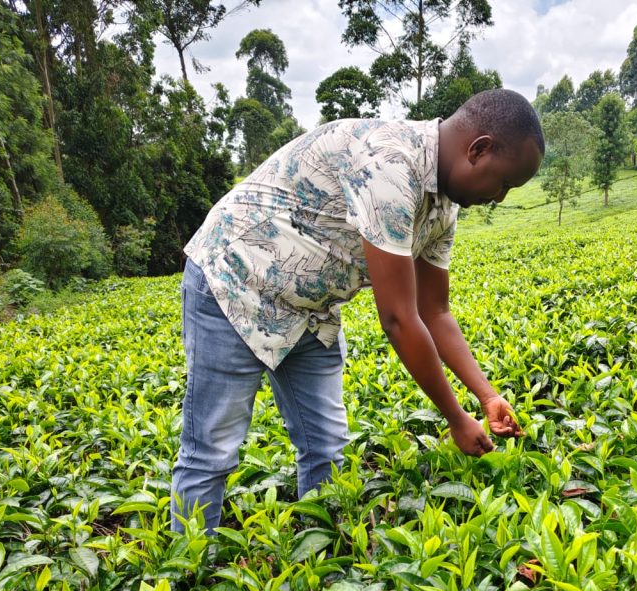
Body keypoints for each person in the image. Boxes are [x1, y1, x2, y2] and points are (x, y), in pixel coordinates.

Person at [171, 88, 545, 532]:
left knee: (326, 445)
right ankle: (189, 574)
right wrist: (455, 418)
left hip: (310, 310)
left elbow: (435, 311)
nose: (500, 197)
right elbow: (399, 319)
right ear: (478, 150)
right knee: (213, 449)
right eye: (504, 183)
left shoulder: (443, 207)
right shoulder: (390, 165)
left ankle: (316, 556)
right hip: (235, 281)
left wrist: (486, 397)